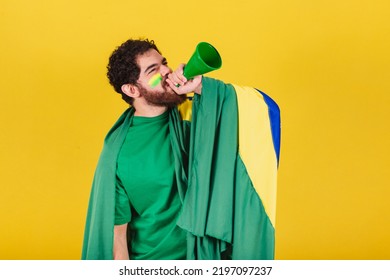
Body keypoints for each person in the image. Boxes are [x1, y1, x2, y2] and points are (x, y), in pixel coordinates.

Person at [82, 39, 281, 260]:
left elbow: (263, 110)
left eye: (164, 63)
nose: (167, 71)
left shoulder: (196, 116)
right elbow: (117, 235)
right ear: (132, 89)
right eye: (153, 70)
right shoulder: (117, 150)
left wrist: (199, 87)